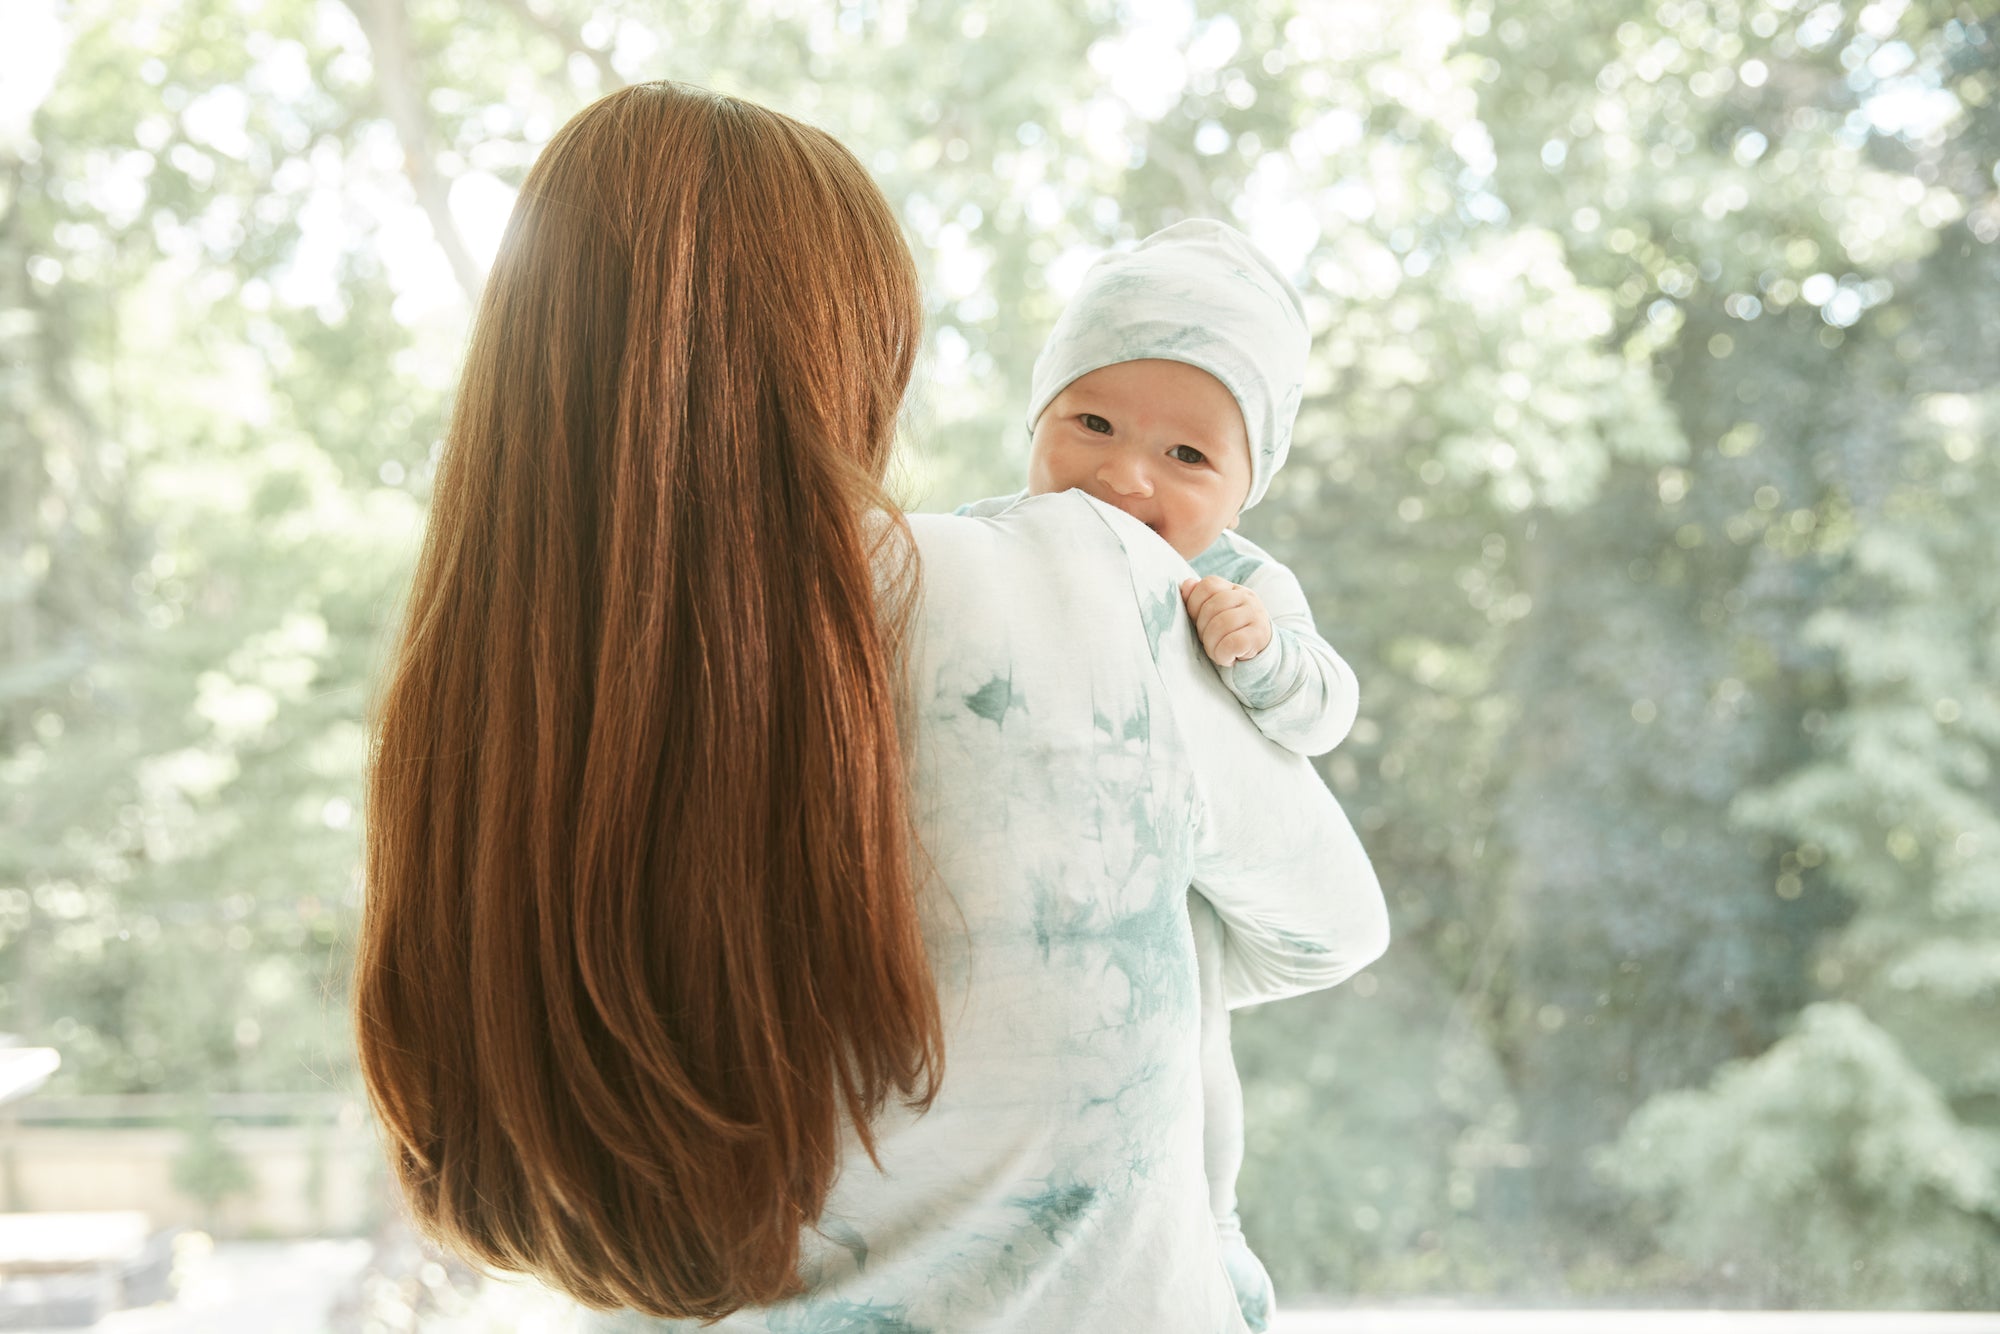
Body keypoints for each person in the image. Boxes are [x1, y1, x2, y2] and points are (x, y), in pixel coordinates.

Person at [353, 81, 1388, 1334]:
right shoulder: (1082, 582)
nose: (1127, 473)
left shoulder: (479, 712)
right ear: (852, 350)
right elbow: (1325, 925)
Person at [956, 220, 1360, 1329]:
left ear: (1244, 487)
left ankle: (1214, 1225)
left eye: (1186, 457)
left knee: (1189, 1071)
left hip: (1171, 899)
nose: (1123, 473)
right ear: (1034, 421)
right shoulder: (979, 539)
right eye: (1090, 422)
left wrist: (1261, 655)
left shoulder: (1237, 578)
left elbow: (1327, 708)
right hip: (1032, 880)